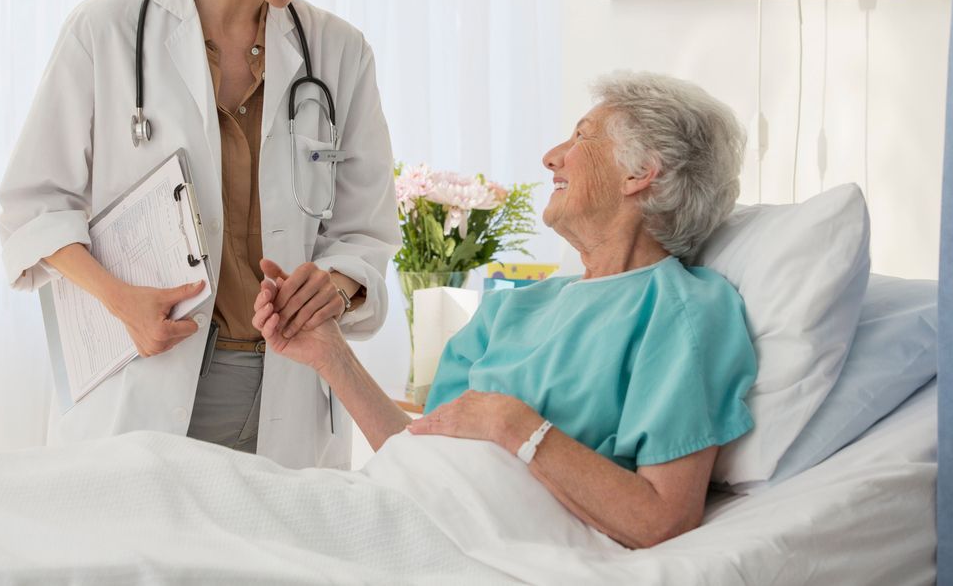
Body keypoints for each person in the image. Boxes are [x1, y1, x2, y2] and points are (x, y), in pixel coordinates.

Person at [0, 0, 398, 469]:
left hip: (287, 390)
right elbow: (35, 206)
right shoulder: (108, 31)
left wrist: (338, 283)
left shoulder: (340, 55)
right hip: (145, 380)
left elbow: (367, 232)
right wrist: (118, 298)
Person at [254, 71, 757, 548]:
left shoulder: (684, 311)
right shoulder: (517, 307)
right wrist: (329, 354)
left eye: (581, 138)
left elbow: (663, 518)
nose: (551, 157)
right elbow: (422, 452)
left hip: (479, 543)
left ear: (640, 172)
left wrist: (515, 425)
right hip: (398, 512)